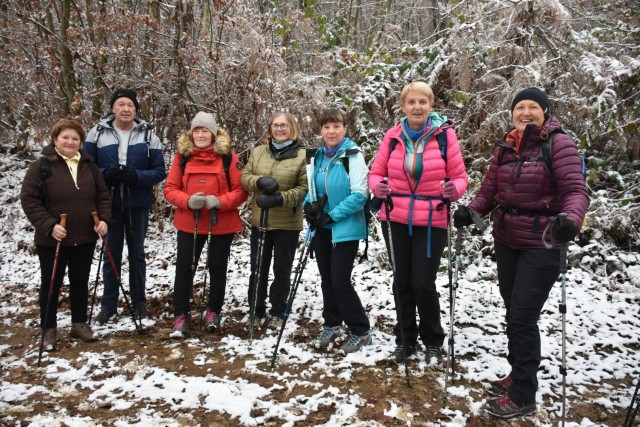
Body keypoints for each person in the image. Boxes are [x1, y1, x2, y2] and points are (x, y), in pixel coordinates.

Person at [453, 87, 589, 418]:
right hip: (507, 239)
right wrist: (470, 210)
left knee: (523, 315)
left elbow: (575, 190)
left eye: (533, 107)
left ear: (545, 111)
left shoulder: (559, 144)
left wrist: (571, 219)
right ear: (512, 113)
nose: (525, 112)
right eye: (519, 107)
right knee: (513, 308)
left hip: (543, 242)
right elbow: (489, 191)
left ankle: (524, 394)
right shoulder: (506, 146)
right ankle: (519, 372)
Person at [368, 81, 468, 365]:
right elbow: (375, 174)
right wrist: (379, 188)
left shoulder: (445, 136)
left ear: (431, 105)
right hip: (396, 216)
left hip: (432, 217)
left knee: (423, 282)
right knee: (402, 281)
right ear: (403, 106)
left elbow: (460, 176)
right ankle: (405, 339)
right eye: (411, 102)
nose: (417, 107)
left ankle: (433, 339)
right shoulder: (392, 136)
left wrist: (454, 190)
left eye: (422, 102)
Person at [20, 119, 111, 349]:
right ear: (55, 140)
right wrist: (50, 226)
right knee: (51, 283)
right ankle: (48, 329)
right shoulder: (41, 166)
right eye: (65, 137)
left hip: (85, 237)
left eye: (75, 138)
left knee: (80, 281)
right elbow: (29, 200)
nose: (70, 142)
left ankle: (78, 324)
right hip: (53, 239)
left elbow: (103, 197)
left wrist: (103, 220)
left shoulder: (89, 165)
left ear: (81, 142)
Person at [84, 88, 166, 324]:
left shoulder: (149, 135)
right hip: (108, 204)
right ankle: (108, 305)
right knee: (111, 254)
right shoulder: (97, 133)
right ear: (113, 108)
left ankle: (139, 303)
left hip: (137, 203)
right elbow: (86, 167)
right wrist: (104, 174)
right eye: (121, 104)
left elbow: (159, 171)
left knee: (137, 254)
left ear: (136, 109)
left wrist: (136, 177)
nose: (126, 109)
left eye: (130, 105)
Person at [163, 112, 248, 338]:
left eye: (205, 130)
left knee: (217, 268)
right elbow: (170, 189)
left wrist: (219, 202)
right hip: (189, 223)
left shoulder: (228, 157)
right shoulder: (181, 157)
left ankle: (213, 311)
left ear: (213, 133)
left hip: (220, 223)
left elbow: (241, 191)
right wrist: (188, 201)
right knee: (184, 269)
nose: (201, 134)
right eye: (197, 130)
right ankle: (180, 315)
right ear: (191, 133)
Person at [303, 108, 371, 354]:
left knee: (340, 280)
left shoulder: (352, 155)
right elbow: (309, 189)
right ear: (320, 130)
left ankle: (361, 330)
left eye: (336, 126)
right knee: (327, 279)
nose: (331, 131)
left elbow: (360, 194)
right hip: (321, 226)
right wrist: (309, 208)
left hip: (345, 226)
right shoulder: (315, 156)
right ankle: (332, 323)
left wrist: (332, 215)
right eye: (326, 127)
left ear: (345, 129)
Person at [240, 112, 308, 331]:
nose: (279, 129)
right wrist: (259, 181)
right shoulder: (259, 152)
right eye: (275, 125)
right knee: (258, 267)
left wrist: (280, 199)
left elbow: (304, 189)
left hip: (287, 223)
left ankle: (278, 311)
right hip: (261, 221)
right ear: (270, 129)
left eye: (284, 125)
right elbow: (245, 177)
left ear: (292, 128)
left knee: (282, 269)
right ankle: (255, 310)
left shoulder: (303, 155)